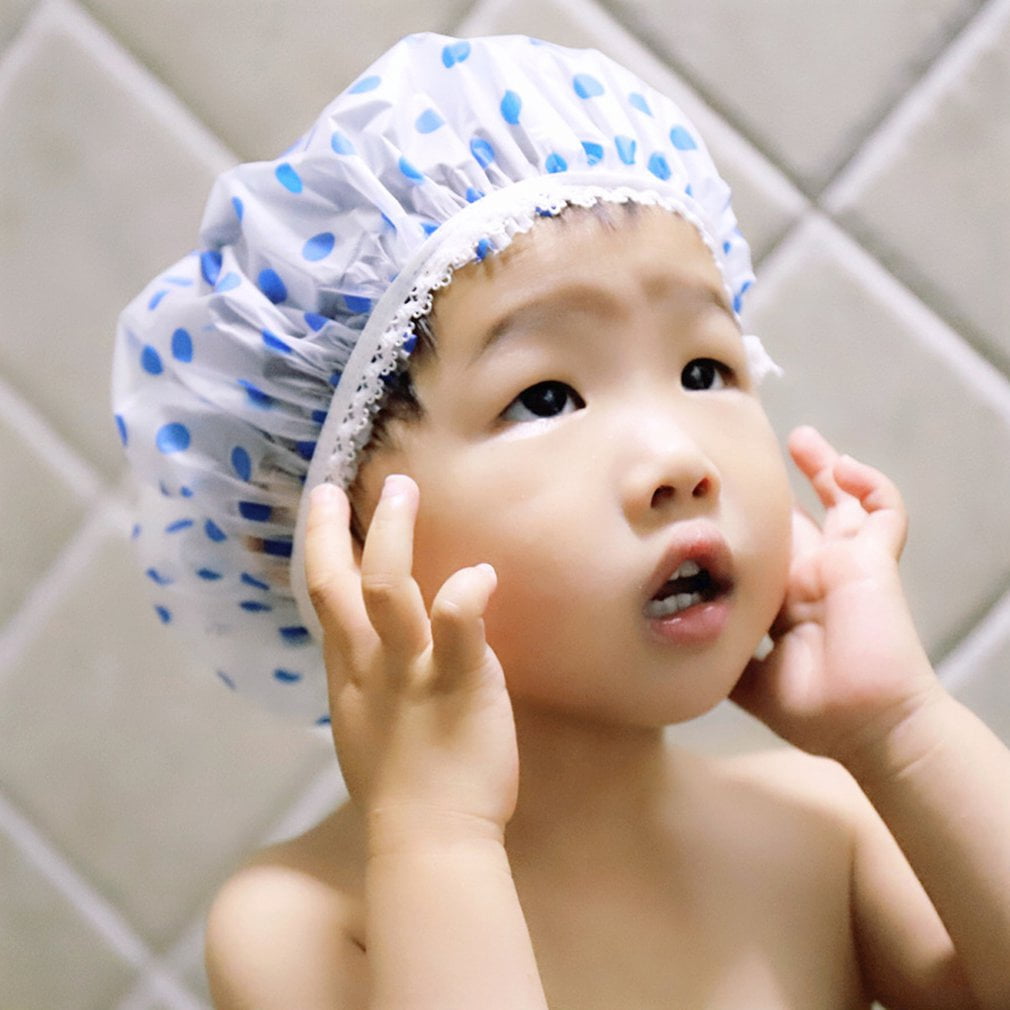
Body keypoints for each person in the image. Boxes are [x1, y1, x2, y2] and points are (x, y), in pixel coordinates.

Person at [112, 33, 1010, 1010]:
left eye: (704, 368)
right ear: (340, 535)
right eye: (545, 395)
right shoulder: (305, 922)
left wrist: (899, 729)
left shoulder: (826, 827)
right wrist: (434, 833)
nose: (678, 457)